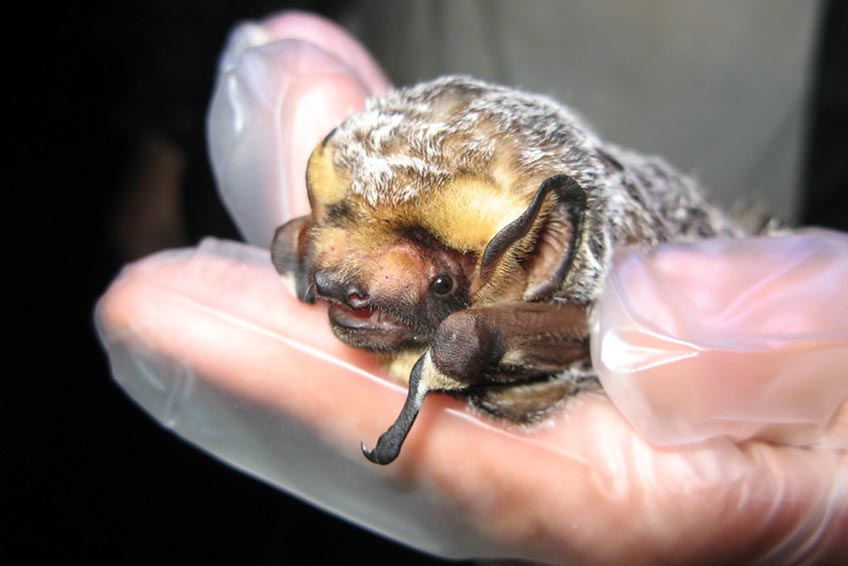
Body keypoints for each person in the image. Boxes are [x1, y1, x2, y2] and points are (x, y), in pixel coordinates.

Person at [96, 11, 846, 563]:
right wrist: (168, 126)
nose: (357, 293)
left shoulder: (543, 284)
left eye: (443, 282)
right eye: (336, 249)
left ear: (538, 255)